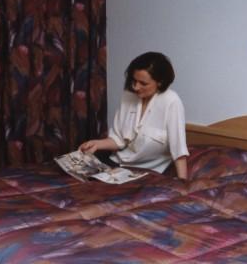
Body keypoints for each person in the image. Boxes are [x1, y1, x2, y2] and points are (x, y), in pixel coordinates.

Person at [79, 52, 189, 180]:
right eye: (134, 81)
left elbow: (178, 150)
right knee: (78, 167)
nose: (136, 87)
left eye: (143, 83)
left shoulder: (171, 101)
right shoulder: (129, 95)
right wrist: (96, 144)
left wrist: (183, 183)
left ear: (160, 82)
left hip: (145, 171)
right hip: (117, 162)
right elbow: (118, 140)